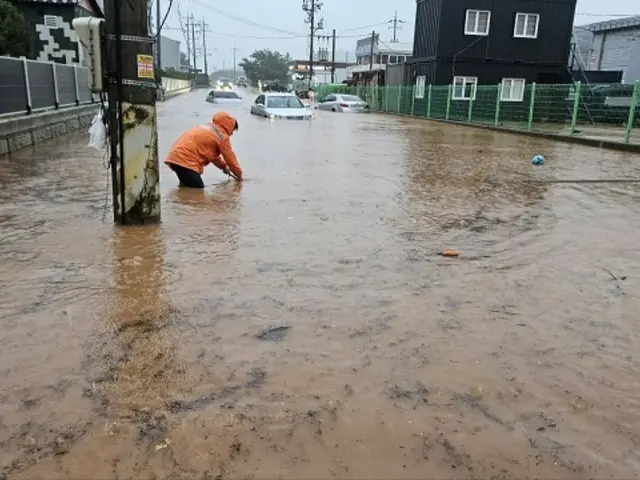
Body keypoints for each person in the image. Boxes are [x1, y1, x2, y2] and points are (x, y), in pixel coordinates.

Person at [165, 111, 243, 188]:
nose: (232, 133)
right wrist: (239, 175)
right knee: (198, 190)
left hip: (175, 157)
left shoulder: (206, 126)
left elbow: (212, 156)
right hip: (186, 161)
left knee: (186, 188)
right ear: (229, 127)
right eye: (233, 130)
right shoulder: (222, 136)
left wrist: (224, 167)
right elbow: (230, 159)